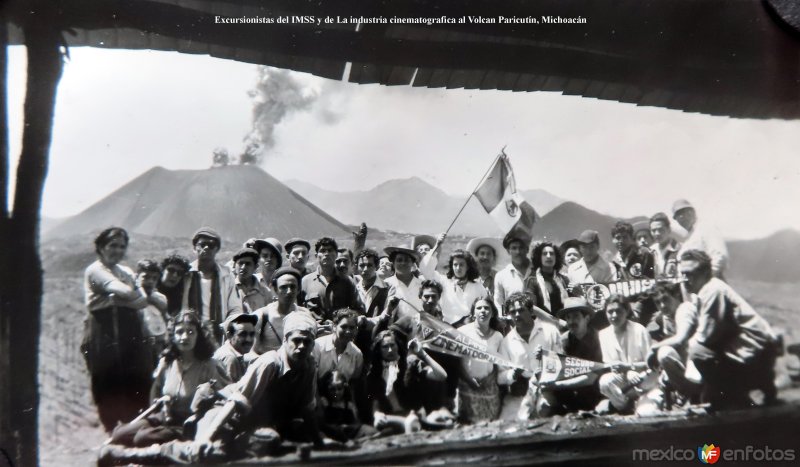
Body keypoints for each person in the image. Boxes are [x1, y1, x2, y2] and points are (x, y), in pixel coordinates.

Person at [109, 311, 230, 447]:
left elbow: (224, 397)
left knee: (142, 438)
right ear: (173, 336)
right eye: (179, 332)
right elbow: (156, 392)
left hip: (188, 423)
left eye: (190, 332)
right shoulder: (168, 362)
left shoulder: (209, 365)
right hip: (165, 416)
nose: (184, 337)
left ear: (199, 336)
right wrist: (160, 402)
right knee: (119, 435)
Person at [679, 249, 778, 409]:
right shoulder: (706, 290)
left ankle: (739, 394)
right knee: (710, 395)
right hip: (747, 350)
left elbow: (705, 337)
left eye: (690, 274)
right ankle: (737, 394)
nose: (685, 279)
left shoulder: (712, 290)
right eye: (682, 274)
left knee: (697, 351)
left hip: (757, 353)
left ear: (705, 272)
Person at [82, 227, 155, 432]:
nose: (118, 250)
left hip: (128, 331)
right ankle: (112, 436)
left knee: (134, 379)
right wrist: (123, 296)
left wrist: (115, 300)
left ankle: (134, 433)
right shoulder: (95, 270)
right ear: (101, 247)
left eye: (122, 246)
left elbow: (141, 302)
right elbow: (125, 291)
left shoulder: (126, 271)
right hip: (102, 332)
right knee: (107, 381)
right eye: (113, 245)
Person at [366, 330, 448, 435]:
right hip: (392, 417)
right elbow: (375, 401)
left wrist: (422, 353)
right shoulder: (375, 372)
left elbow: (441, 376)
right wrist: (377, 414)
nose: (390, 350)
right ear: (379, 349)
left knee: (409, 423)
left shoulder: (410, 362)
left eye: (392, 345)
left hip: (414, 414)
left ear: (398, 345)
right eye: (385, 347)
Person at [497, 292, 562, 420]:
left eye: (521, 310)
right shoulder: (507, 341)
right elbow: (500, 376)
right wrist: (513, 375)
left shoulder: (550, 331)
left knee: (544, 413)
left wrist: (546, 362)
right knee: (507, 427)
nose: (516, 315)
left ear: (531, 311)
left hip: (547, 389)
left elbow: (562, 362)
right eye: (512, 312)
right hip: (520, 394)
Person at [541, 297, 604, 414]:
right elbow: (559, 370)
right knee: (544, 393)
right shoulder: (564, 339)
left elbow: (592, 377)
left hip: (593, 390)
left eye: (576, 316)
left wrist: (558, 385)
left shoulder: (598, 339)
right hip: (571, 389)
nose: (571, 322)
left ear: (587, 318)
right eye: (568, 318)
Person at [644, 283, 701, 406]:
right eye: (657, 302)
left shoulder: (685, 309)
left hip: (701, 364)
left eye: (665, 299)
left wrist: (654, 348)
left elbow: (680, 339)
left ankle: (688, 393)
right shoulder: (666, 317)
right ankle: (684, 394)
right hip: (688, 364)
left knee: (664, 353)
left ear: (676, 295)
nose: (662, 306)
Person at [597, 295, 655, 414]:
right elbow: (611, 366)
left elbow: (651, 365)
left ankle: (641, 403)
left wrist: (630, 368)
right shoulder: (603, 334)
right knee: (604, 381)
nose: (614, 316)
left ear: (627, 311)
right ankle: (624, 406)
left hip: (644, 380)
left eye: (618, 311)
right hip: (624, 382)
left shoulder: (640, 330)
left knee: (646, 412)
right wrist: (627, 372)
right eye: (610, 312)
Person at [185, 227, 242, 345]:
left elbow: (235, 308)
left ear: (216, 249)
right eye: (202, 244)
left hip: (218, 334)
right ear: (195, 248)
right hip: (190, 331)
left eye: (211, 245)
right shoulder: (186, 274)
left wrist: (226, 327)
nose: (206, 248)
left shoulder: (227, 275)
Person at [419, 233, 488, 326]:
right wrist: (437, 245)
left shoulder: (478, 286)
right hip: (448, 329)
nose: (458, 268)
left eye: (462, 264)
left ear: (468, 267)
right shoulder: (443, 282)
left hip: (470, 330)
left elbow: (486, 306)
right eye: (455, 265)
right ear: (451, 266)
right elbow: (425, 269)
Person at [456, 298, 504, 423]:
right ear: (473, 313)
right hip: (466, 387)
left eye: (487, 308)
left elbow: (499, 364)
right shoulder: (462, 333)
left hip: (489, 387)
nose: (483, 311)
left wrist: (490, 379)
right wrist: (469, 380)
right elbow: (457, 362)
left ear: (493, 313)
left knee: (490, 426)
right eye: (479, 308)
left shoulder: (498, 336)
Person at [251, 267, 311, 356]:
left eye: (293, 287)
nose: (289, 291)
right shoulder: (262, 315)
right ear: (275, 289)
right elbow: (251, 352)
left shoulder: (304, 314)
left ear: (298, 290)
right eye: (283, 287)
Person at [301, 237, 362, 320]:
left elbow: (358, 309)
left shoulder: (347, 281)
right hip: (314, 330)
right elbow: (298, 310)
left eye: (330, 250)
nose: (326, 254)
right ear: (316, 255)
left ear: (336, 254)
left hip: (338, 330)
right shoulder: (305, 281)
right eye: (322, 251)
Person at [672, 199, 728, 279]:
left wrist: (704, 281)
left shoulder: (706, 228)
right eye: (678, 215)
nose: (682, 217)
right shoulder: (689, 237)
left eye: (685, 212)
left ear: (694, 212)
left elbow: (720, 257)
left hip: (708, 285)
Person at [317, 370, 377, 442]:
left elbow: (356, 423)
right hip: (331, 433)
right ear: (326, 389)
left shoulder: (349, 405)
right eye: (332, 389)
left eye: (339, 388)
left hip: (348, 432)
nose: (336, 392)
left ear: (344, 388)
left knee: (370, 430)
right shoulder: (323, 403)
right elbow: (321, 425)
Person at [314, 308, 364, 384]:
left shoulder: (357, 354)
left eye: (352, 328)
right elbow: (311, 379)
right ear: (334, 326)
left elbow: (353, 383)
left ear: (356, 330)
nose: (348, 331)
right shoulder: (318, 346)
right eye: (344, 327)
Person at [524, 241, 571, 317]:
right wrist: (555, 322)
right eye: (544, 254)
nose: (548, 256)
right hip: (542, 324)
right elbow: (532, 308)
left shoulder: (564, 280)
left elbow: (572, 304)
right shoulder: (532, 281)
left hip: (565, 323)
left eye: (552, 253)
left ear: (556, 258)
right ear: (539, 257)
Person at [136, 259, 170, 365]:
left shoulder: (161, 298)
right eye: (146, 277)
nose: (150, 281)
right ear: (136, 277)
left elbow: (165, 318)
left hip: (158, 345)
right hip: (138, 345)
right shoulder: (132, 297)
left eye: (154, 278)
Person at [493, 236, 532, 319]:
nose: (518, 252)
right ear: (508, 251)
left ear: (527, 249)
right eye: (514, 248)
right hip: (514, 321)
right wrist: (503, 319)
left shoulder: (537, 271)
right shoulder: (501, 276)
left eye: (521, 248)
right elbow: (499, 302)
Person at [213, 312, 259, 382]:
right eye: (243, 334)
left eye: (252, 334)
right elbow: (229, 391)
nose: (248, 339)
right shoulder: (229, 358)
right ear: (229, 335)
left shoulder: (231, 353)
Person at [383, 244, 424, 321]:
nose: (403, 263)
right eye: (399, 260)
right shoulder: (385, 284)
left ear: (412, 263)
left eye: (407, 260)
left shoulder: (422, 285)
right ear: (393, 263)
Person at [232, 247, 275, 313]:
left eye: (248, 264)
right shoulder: (227, 290)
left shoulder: (265, 292)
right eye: (240, 263)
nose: (243, 267)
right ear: (234, 265)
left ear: (255, 267)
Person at [157, 254, 192, 319]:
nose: (175, 275)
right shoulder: (151, 288)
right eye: (171, 270)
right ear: (162, 270)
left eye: (180, 273)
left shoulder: (181, 296)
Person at [649, 212, 682, 279]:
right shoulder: (651, 250)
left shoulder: (679, 248)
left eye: (661, 230)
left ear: (669, 229)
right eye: (653, 230)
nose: (657, 233)